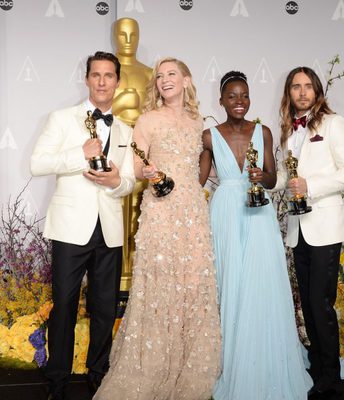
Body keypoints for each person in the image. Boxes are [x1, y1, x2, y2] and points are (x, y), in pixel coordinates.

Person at [93, 57, 221, 400]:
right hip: (161, 212)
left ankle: (191, 369)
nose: (165, 80)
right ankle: (151, 367)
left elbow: (204, 167)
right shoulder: (147, 120)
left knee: (193, 287)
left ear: (187, 79)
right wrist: (148, 172)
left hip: (193, 212)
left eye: (172, 74)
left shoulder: (198, 122)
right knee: (161, 286)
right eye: (160, 75)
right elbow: (134, 168)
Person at [199, 71, 312, 400]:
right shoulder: (208, 136)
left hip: (257, 210)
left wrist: (263, 176)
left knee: (260, 283)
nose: (239, 102)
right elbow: (199, 181)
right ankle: (231, 362)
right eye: (232, 96)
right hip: (225, 214)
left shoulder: (262, 132)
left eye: (245, 96)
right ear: (220, 100)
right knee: (229, 282)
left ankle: (263, 360)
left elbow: (273, 176)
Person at [30, 51, 135, 400]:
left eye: (109, 75)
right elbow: (37, 163)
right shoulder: (61, 118)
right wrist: (80, 153)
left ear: (117, 81)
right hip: (70, 229)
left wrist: (116, 182)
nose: (102, 81)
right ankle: (57, 380)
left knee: (105, 308)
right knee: (65, 305)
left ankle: (98, 374)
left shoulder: (125, 130)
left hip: (109, 231)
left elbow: (129, 182)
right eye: (96, 75)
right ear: (87, 78)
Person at [275, 66, 344, 399]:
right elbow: (286, 176)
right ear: (289, 93)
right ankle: (316, 364)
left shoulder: (333, 123)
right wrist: (265, 180)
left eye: (307, 86)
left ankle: (331, 375)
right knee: (308, 307)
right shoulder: (288, 130)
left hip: (325, 227)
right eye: (295, 87)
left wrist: (312, 186)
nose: (301, 92)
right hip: (299, 230)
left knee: (320, 302)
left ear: (317, 91)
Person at [111, 17, 153, 296]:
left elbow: (154, 114)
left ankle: (136, 271)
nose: (128, 40)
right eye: (123, 35)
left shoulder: (149, 72)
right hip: (113, 151)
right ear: (115, 36)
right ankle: (115, 272)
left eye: (132, 35)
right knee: (114, 213)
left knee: (140, 212)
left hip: (142, 152)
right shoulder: (109, 70)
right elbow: (99, 111)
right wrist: (122, 102)